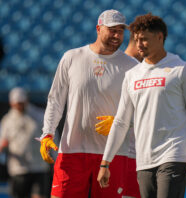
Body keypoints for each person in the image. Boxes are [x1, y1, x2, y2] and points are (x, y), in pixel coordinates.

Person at [97, 13, 186, 198]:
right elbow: (121, 122)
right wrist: (105, 163)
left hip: (175, 154)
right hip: (144, 160)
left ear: (160, 37)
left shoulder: (181, 69)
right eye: (137, 39)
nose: (139, 44)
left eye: (144, 39)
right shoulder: (132, 75)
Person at [39, 9, 139, 198]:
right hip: (72, 150)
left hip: (113, 154)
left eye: (120, 30)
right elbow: (55, 100)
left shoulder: (132, 66)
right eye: (112, 30)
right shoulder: (72, 57)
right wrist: (47, 133)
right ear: (98, 29)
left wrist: (122, 123)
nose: (117, 35)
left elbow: (143, 109)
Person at [0, 87, 50, 198]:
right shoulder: (7, 121)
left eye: (21, 102)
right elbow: (3, 142)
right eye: (17, 103)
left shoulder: (40, 116)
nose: (19, 106)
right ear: (12, 103)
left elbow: (51, 136)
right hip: (18, 169)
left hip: (39, 166)